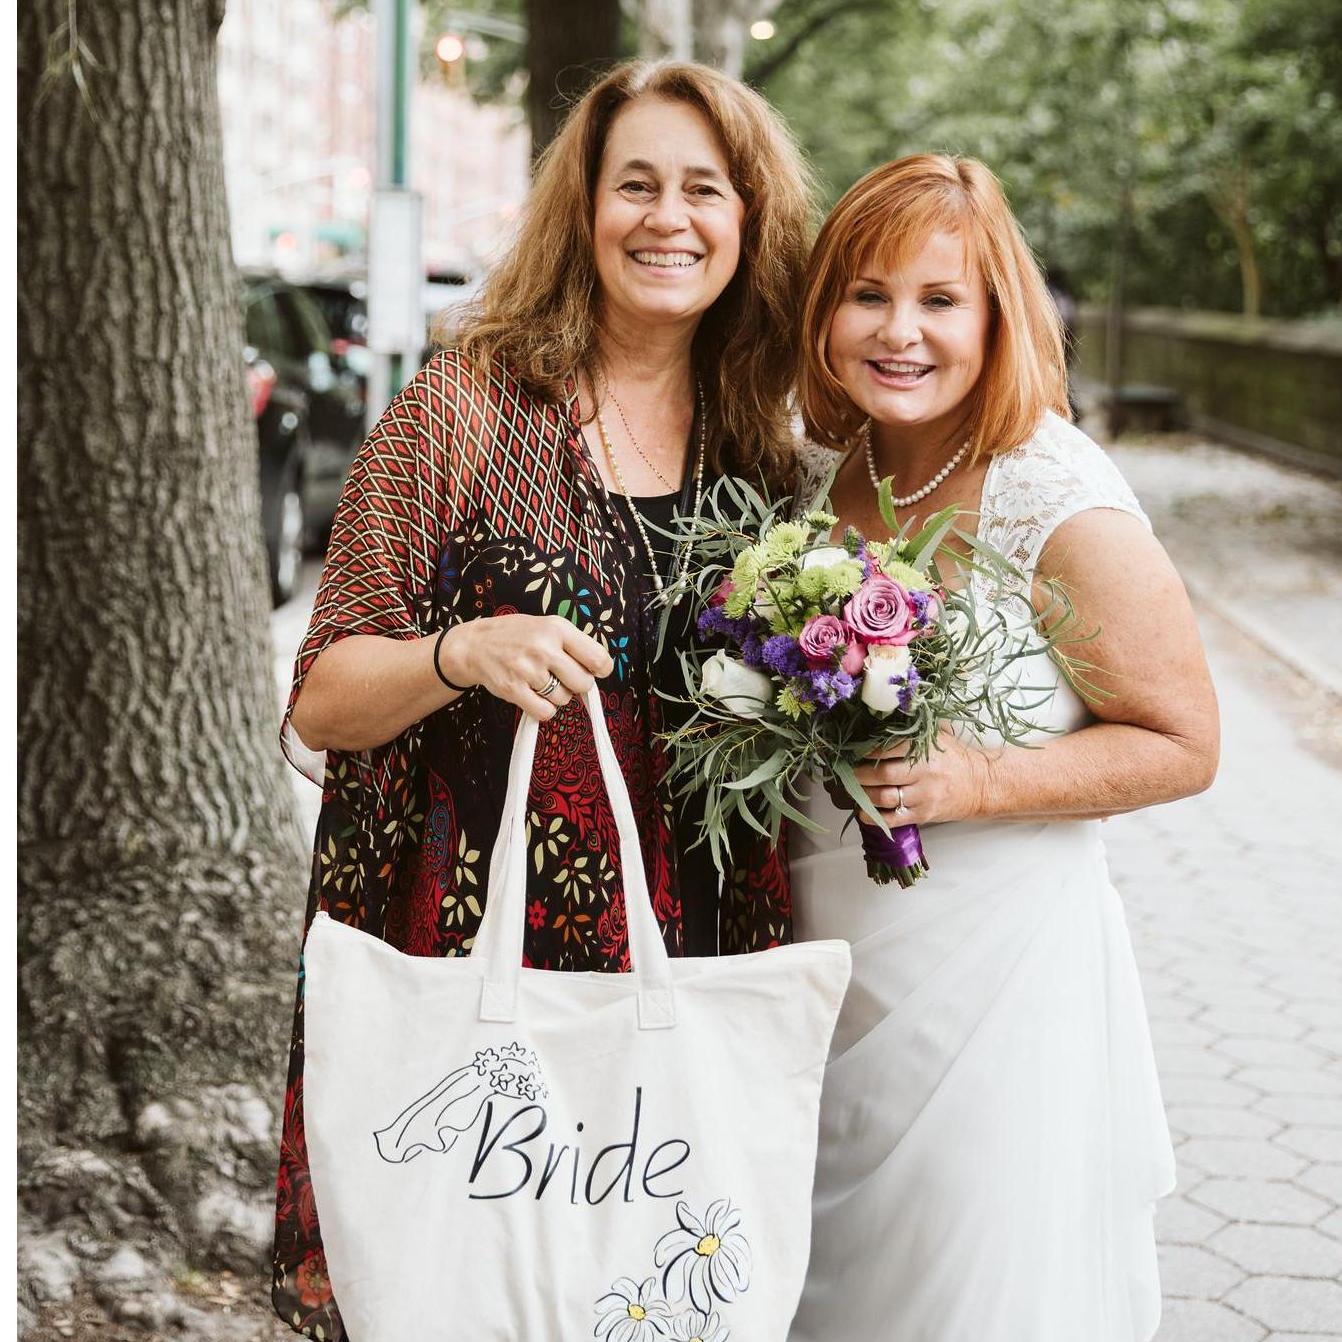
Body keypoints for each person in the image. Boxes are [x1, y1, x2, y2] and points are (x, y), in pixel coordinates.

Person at [270, 61, 813, 1339]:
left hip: (697, 957)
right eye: (634, 184)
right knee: (467, 1290)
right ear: (581, 209)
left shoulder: (764, 445)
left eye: (703, 190)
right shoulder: (461, 409)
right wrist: (458, 652)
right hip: (479, 958)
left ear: (748, 221)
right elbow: (321, 698)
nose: (666, 218)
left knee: (657, 1297)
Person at [785, 155, 1219, 1341]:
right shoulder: (826, 479)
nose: (899, 331)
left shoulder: (1054, 492)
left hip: (991, 992)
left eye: (938, 301)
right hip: (826, 975)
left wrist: (983, 779)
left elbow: (1184, 742)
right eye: (866, 295)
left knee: (965, 1292)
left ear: (995, 318)